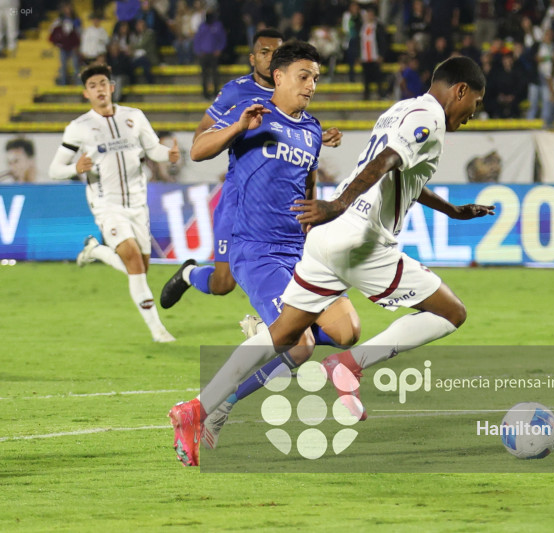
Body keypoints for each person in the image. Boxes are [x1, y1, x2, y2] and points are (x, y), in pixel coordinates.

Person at [168, 56, 494, 467]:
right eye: (475, 104)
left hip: (325, 241)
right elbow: (389, 160)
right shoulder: (430, 118)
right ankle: (349, 366)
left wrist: (451, 211)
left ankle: (197, 409)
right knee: (452, 312)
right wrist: (338, 204)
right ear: (460, 90)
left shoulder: (401, 109)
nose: (472, 114)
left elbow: (404, 174)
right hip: (362, 240)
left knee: (285, 334)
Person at [163, 38, 360, 451]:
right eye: (304, 77)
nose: (311, 86)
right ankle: (211, 408)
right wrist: (237, 127)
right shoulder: (253, 111)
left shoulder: (311, 129)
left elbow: (306, 180)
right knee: (301, 345)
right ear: (280, 75)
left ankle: (267, 332)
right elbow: (198, 149)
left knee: (347, 332)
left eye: (316, 79)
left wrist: (313, 219)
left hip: (299, 251)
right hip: (257, 249)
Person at [48, 64, 179, 342]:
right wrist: (76, 168)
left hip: (137, 204)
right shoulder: (78, 128)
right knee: (132, 260)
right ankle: (158, 330)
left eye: (103, 83)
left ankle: (96, 251)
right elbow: (54, 169)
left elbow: (153, 148)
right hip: (107, 204)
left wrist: (169, 154)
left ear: (112, 87)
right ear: (86, 93)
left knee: (141, 269)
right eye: (93, 85)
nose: (99, 89)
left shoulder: (135, 117)